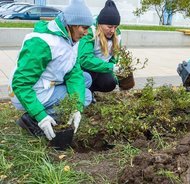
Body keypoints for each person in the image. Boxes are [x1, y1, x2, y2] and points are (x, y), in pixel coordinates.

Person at [8, 0, 94, 140]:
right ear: (71, 25)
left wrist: (76, 107)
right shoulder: (42, 43)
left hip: (46, 82)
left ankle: (45, 111)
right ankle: (32, 119)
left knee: (86, 79)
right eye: (84, 27)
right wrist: (40, 116)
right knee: (88, 95)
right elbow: (21, 84)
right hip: (27, 91)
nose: (86, 32)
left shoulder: (71, 38)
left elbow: (74, 73)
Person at [78, 0, 121, 93]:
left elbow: (114, 58)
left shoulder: (117, 34)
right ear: (100, 25)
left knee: (110, 83)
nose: (113, 30)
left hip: (102, 68)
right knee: (88, 75)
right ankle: (86, 91)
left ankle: (91, 89)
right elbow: (84, 59)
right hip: (85, 68)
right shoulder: (90, 32)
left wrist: (117, 72)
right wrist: (110, 67)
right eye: (109, 27)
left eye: (115, 27)